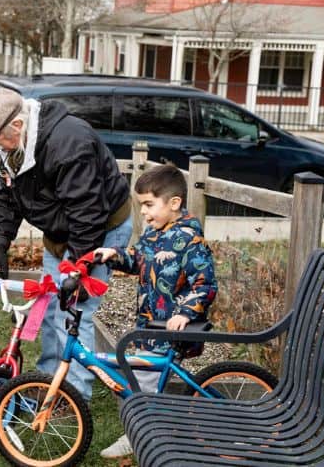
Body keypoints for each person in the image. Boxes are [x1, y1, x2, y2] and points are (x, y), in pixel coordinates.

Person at [0, 86, 132, 401]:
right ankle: (50, 381)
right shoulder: (13, 146)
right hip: (60, 231)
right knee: (49, 309)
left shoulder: (69, 142)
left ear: (17, 126)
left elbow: (87, 211)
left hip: (99, 230)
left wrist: (79, 267)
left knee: (75, 314)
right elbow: (8, 198)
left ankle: (73, 396)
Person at [92, 164, 218, 458]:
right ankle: (147, 428)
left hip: (170, 329)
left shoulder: (190, 240)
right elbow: (139, 261)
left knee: (141, 384)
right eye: (141, 206)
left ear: (174, 203)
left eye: (149, 204)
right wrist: (116, 256)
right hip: (149, 326)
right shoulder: (153, 233)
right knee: (129, 375)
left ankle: (140, 439)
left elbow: (205, 283)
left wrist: (185, 313)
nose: (144, 213)